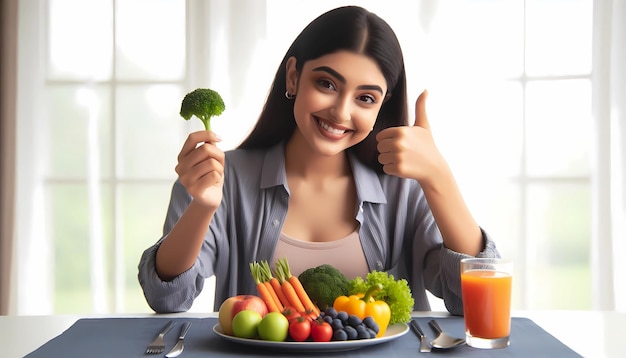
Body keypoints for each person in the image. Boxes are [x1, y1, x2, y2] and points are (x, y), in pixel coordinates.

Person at [138, 5, 498, 315]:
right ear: (293, 76)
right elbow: (166, 298)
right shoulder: (220, 177)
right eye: (327, 84)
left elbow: (473, 301)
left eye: (366, 98)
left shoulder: (407, 188)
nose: (341, 112)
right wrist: (202, 207)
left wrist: (439, 177)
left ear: (382, 107)